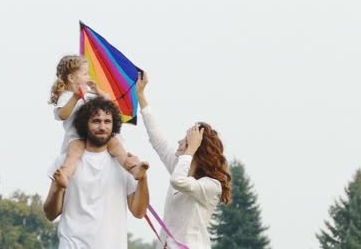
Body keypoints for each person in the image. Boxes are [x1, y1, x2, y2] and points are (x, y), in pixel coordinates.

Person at [136, 72, 231, 249]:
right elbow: (158, 139)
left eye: (185, 141)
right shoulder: (180, 169)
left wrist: (191, 149)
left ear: (196, 149)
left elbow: (178, 181)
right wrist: (141, 96)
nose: (179, 143)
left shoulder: (211, 185)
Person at [43, 97, 150, 249]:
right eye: (96, 121)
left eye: (107, 121)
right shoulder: (65, 162)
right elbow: (50, 214)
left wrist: (143, 179)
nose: (102, 126)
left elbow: (139, 212)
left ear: (113, 126)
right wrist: (58, 189)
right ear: (85, 124)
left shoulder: (125, 164)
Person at [49, 54, 147, 187]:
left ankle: (133, 168)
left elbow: (108, 104)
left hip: (98, 137)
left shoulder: (90, 94)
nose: (88, 77)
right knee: (73, 154)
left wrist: (98, 91)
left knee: (116, 145)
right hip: (77, 138)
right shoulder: (67, 97)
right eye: (85, 74)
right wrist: (75, 98)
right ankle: (65, 176)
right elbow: (62, 115)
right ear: (72, 78)